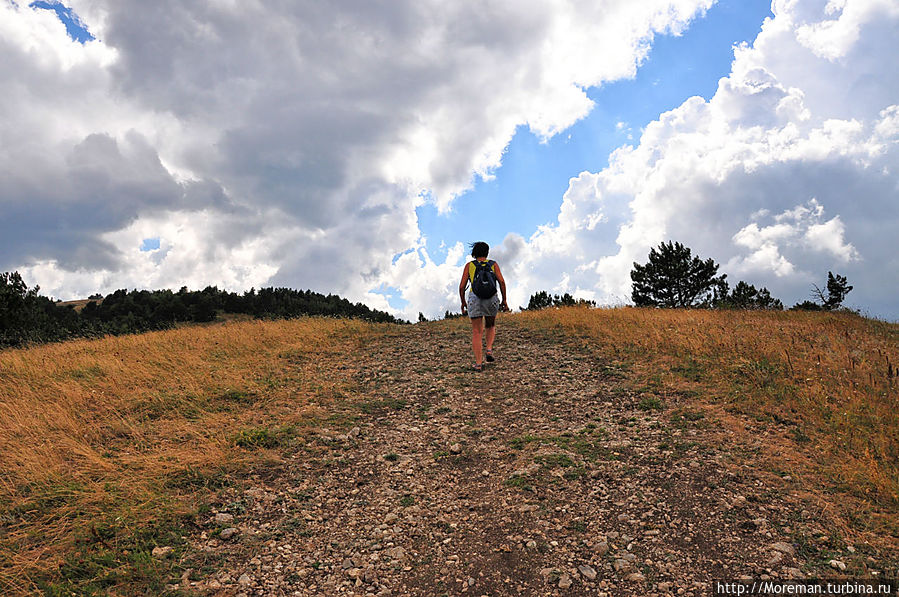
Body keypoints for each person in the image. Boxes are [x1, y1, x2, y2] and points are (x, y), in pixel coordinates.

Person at [458, 241, 508, 371]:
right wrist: (504, 300)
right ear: (487, 253)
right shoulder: (493, 264)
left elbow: (462, 286)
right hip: (491, 297)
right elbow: (501, 282)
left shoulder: (469, 266)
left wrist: (463, 302)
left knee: (477, 331)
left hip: (475, 297)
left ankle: (479, 363)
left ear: (474, 253)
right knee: (490, 325)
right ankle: (489, 349)